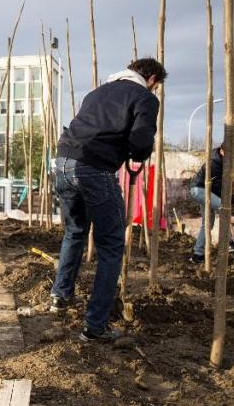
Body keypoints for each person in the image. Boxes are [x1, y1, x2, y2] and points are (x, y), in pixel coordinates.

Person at [51, 58, 167, 342]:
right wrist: (136, 153)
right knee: (112, 244)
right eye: (156, 87)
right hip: (94, 167)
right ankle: (95, 326)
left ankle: (60, 296)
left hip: (63, 161)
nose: (155, 91)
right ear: (151, 78)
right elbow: (140, 143)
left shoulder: (97, 92)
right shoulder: (144, 98)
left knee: (75, 231)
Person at [188, 144, 234, 263]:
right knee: (225, 210)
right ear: (223, 151)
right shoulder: (214, 163)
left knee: (208, 223)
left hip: (206, 191)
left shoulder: (222, 161)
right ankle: (229, 243)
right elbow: (219, 189)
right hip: (199, 190)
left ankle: (197, 255)